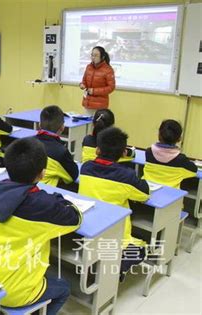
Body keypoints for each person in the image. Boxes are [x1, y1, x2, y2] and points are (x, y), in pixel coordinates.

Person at [0, 137, 81, 314]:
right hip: (14, 293)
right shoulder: (42, 204)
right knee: (64, 288)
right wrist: (58, 198)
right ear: (42, 173)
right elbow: (76, 219)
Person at [79, 127, 148, 278]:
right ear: (124, 153)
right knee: (142, 249)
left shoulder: (85, 168)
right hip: (115, 231)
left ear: (97, 150)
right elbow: (144, 195)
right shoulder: (127, 176)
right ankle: (114, 269)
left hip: (88, 226)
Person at [144, 119, 197, 188]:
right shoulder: (181, 159)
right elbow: (194, 171)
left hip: (148, 190)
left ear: (159, 135)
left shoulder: (149, 152)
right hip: (172, 196)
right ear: (179, 139)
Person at [36, 105, 78, 186]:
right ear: (62, 127)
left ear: (39, 124)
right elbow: (73, 176)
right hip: (47, 192)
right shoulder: (61, 151)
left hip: (27, 187)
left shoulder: (28, 142)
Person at [79, 46, 115, 115]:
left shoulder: (108, 70)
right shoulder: (88, 67)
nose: (93, 57)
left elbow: (111, 87)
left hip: (100, 106)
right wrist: (82, 85)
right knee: (88, 125)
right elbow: (84, 81)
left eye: (96, 55)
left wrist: (94, 91)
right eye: (92, 55)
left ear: (103, 57)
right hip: (88, 103)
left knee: (98, 125)